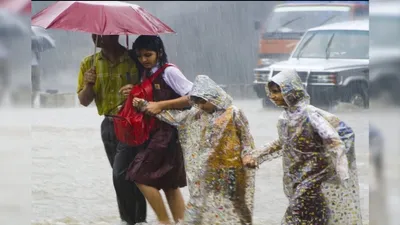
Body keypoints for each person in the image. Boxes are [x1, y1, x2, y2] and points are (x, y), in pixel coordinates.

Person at [243, 69, 362, 225]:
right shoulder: (284, 118)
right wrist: (257, 154)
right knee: (315, 211)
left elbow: (333, 140)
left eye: (277, 91)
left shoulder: (310, 114)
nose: (272, 96)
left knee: (296, 212)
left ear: (291, 91)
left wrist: (340, 167)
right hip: (297, 173)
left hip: (315, 172)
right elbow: (283, 142)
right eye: (271, 92)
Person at [133, 74, 256, 224]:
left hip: (231, 169)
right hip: (205, 170)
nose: (201, 105)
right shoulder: (196, 114)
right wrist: (144, 105)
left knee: (237, 204)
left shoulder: (233, 113)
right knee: (197, 204)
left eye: (203, 101)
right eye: (197, 102)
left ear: (213, 96)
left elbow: (246, 139)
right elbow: (172, 117)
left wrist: (248, 156)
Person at [76, 34, 146, 225]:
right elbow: (84, 101)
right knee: (125, 175)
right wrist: (89, 84)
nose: (95, 37)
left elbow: (151, 87)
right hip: (108, 124)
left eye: (101, 33)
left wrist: (136, 89)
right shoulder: (89, 63)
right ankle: (138, 219)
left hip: (133, 122)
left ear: (115, 34)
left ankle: (130, 220)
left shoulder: (135, 59)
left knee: (120, 174)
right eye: (93, 33)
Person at [124, 35, 192, 225]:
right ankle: (181, 222)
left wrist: (161, 105)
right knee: (170, 185)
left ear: (159, 53)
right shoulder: (146, 73)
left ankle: (164, 222)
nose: (144, 60)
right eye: (140, 56)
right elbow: (149, 101)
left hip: (169, 133)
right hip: (154, 132)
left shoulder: (169, 72)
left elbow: (193, 96)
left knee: (138, 175)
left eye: (148, 55)